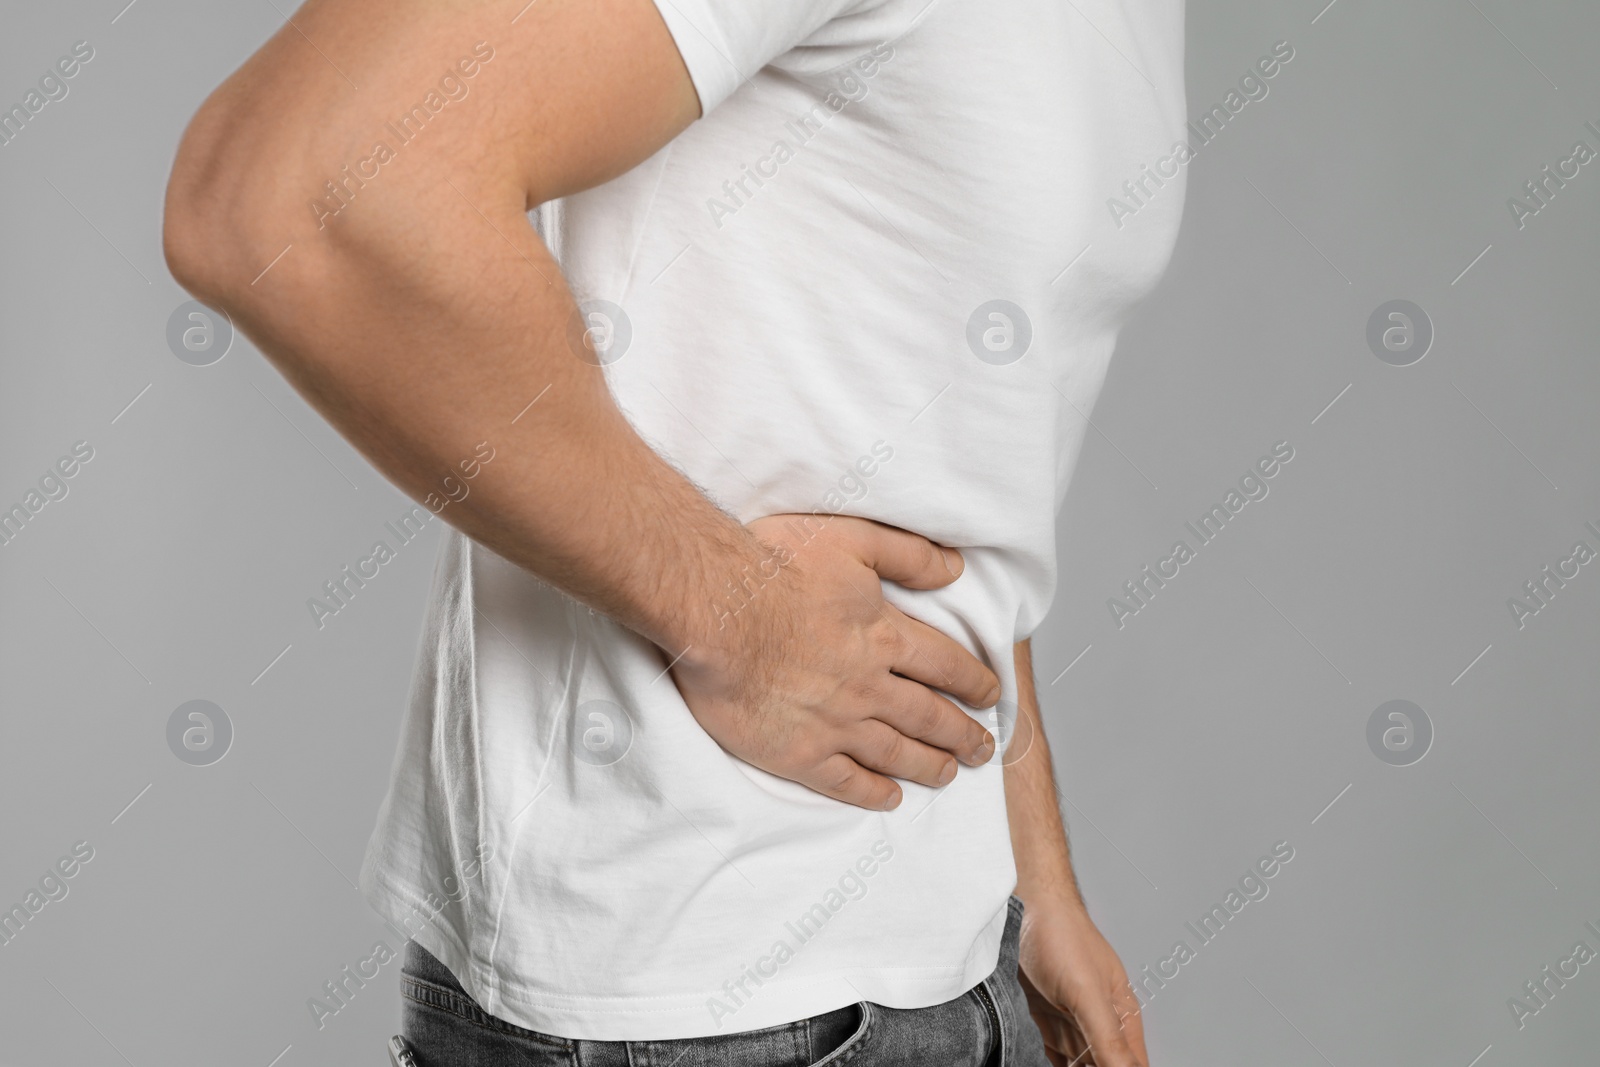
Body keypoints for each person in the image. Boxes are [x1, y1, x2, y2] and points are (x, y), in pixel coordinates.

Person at [163, 0, 1186, 1063]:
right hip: (692, 986)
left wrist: (1036, 874)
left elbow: (942, 430)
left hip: (955, 952)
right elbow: (286, 194)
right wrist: (737, 615)